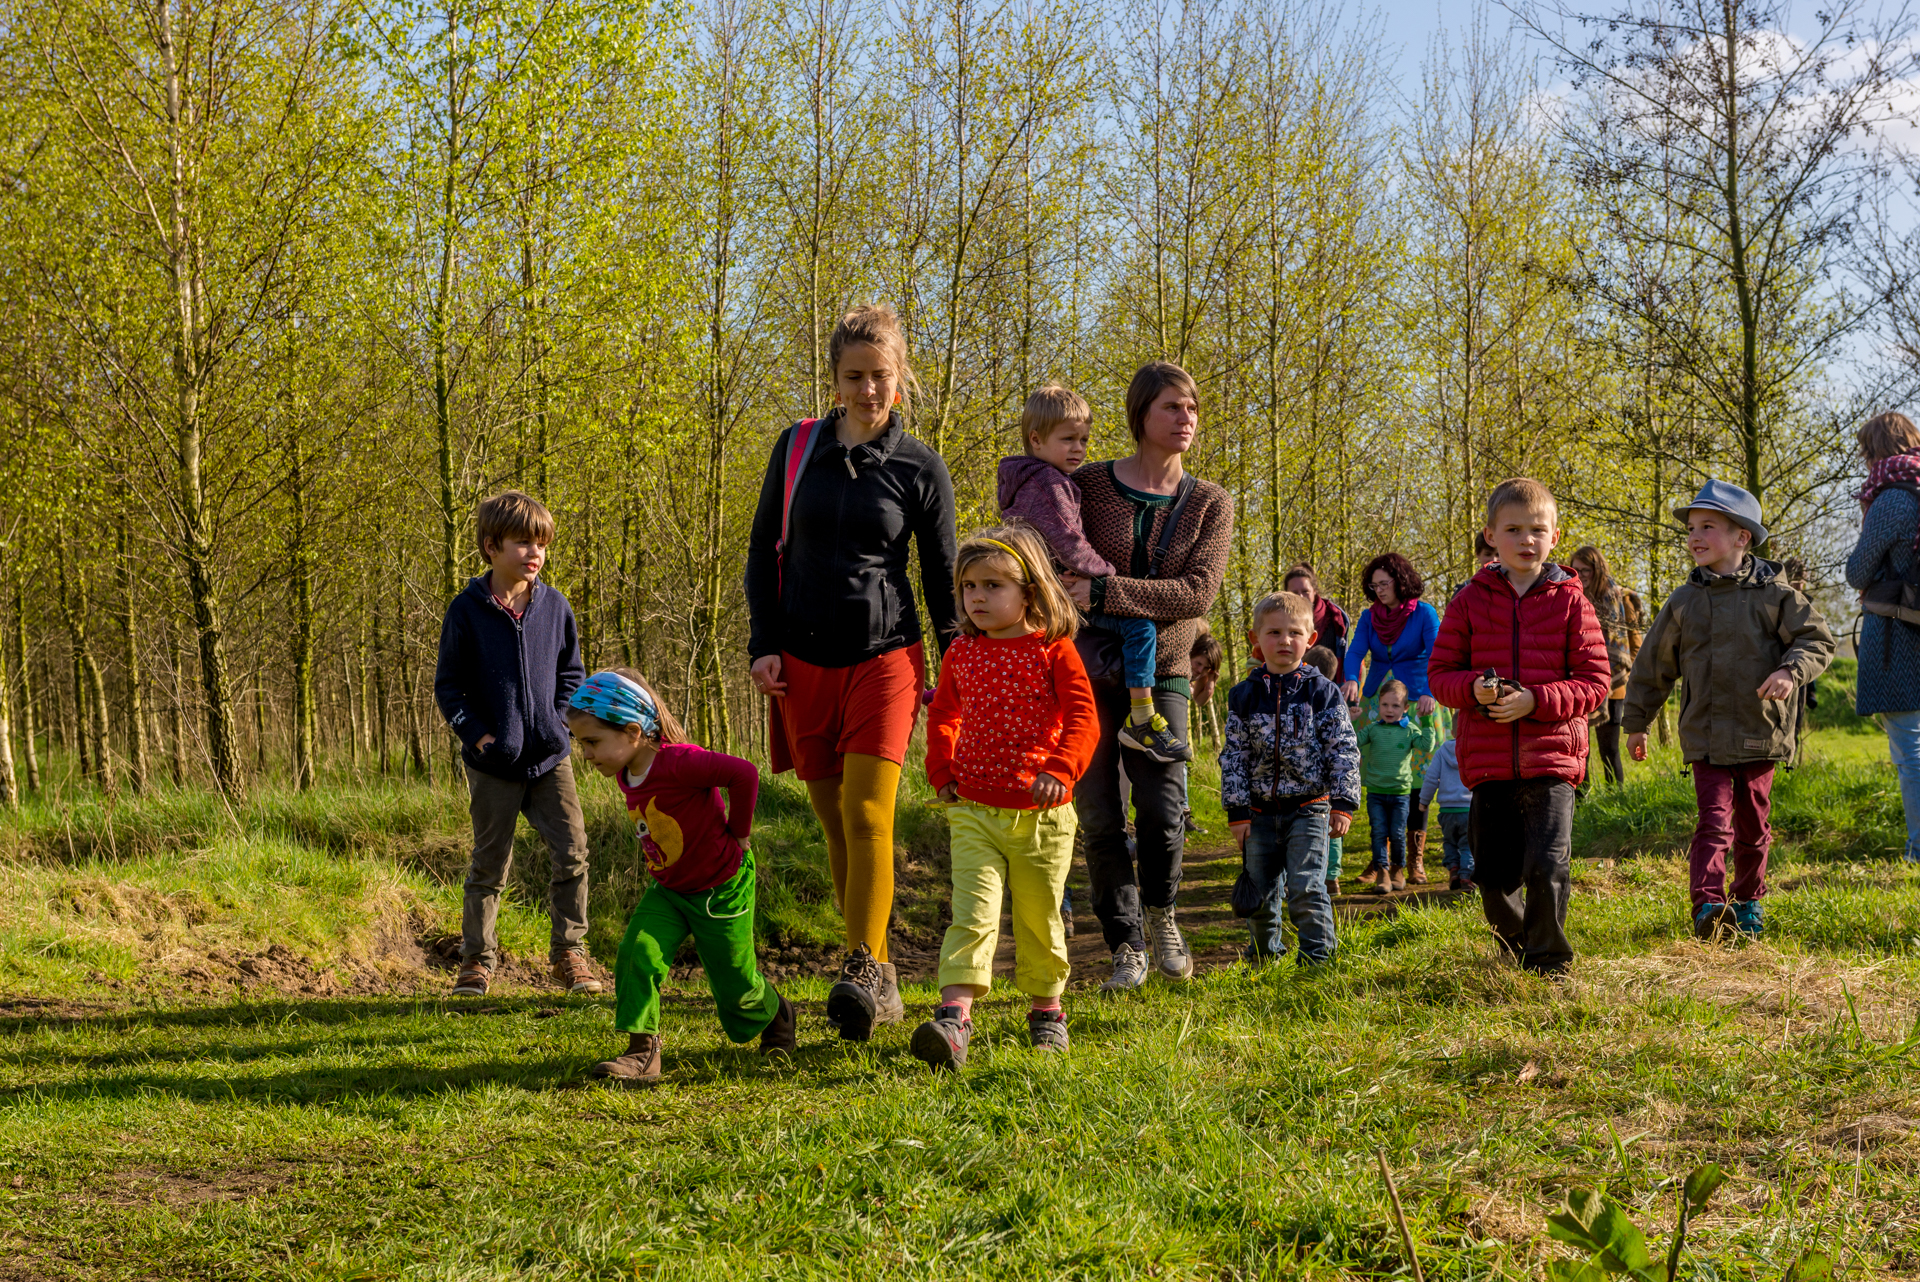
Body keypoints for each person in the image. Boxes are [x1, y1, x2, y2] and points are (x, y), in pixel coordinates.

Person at [743, 304, 958, 1042]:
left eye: (881, 376)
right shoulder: (796, 449)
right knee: (834, 822)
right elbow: (761, 551)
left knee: (871, 816)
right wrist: (761, 644)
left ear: (901, 381)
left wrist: (959, 660)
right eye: (854, 377)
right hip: (801, 661)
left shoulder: (920, 467)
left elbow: (939, 577)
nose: (869, 390)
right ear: (835, 381)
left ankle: (862, 964)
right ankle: (883, 972)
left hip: (884, 658)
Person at [1062, 361, 1233, 993]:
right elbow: (1052, 554)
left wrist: (1105, 593)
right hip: (1085, 669)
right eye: (1172, 407)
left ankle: (1162, 914)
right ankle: (1125, 944)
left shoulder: (1212, 503)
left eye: (1192, 408)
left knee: (1163, 810)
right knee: (1101, 813)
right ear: (1141, 415)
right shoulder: (1088, 485)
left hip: (1164, 671)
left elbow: (1194, 593)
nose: (1186, 418)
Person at [913, 524, 1099, 1069]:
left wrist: (1062, 770)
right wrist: (941, 768)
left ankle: (1047, 1012)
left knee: (1040, 919)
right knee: (972, 915)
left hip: (1042, 816)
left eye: (993, 585)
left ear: (1030, 592)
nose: (977, 597)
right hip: (972, 810)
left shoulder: (1053, 651)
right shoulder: (962, 653)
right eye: (969, 586)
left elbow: (1084, 718)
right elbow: (944, 713)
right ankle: (954, 1019)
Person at [1624, 481, 1834, 938]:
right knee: (1713, 823)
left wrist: (1789, 671)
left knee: (1753, 826)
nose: (1694, 536)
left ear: (1742, 536)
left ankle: (1748, 902)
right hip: (1706, 737)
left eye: (1708, 527)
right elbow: (1652, 666)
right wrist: (1636, 723)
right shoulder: (1683, 602)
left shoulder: (1777, 596)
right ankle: (1708, 908)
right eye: (1691, 528)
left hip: (1761, 732)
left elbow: (1817, 640)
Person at [566, 671, 794, 1086]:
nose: (585, 754)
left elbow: (744, 773)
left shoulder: (680, 761)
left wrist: (739, 831)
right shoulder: (626, 771)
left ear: (633, 732)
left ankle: (776, 1012)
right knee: (637, 952)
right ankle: (642, 1052)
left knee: (735, 986)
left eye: (592, 741)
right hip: (669, 890)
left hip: (721, 887)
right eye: (581, 742)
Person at [1429, 478, 1611, 977]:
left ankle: (1551, 964)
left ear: (1555, 536)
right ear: (1491, 535)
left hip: (1553, 760)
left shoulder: (1573, 601)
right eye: (1513, 529)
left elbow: (1595, 682)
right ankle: (1517, 949)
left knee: (1547, 868)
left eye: (1537, 529)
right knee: (1492, 877)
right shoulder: (1468, 601)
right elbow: (1441, 677)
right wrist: (1475, 691)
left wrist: (1535, 700)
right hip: (1488, 766)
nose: (1526, 539)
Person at [434, 491, 600, 1000]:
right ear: (491, 546)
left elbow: (572, 674)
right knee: (489, 864)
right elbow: (449, 686)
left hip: (551, 760)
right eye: (523, 542)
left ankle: (569, 954)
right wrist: (479, 735)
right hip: (493, 765)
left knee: (572, 852)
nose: (535, 553)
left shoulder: (555, 606)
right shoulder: (467, 610)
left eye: (542, 544)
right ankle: (476, 963)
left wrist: (558, 724)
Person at [999, 385, 1185, 762]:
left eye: (1084, 439)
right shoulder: (1049, 485)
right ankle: (1142, 718)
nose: (1079, 449)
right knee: (1140, 628)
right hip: (1061, 589)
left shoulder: (1034, 479)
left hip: (1045, 589)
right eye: (1068, 439)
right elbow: (1068, 540)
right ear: (1035, 439)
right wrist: (1106, 577)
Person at [1221, 591, 1359, 966]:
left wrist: (1343, 803)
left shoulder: (1323, 693)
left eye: (1294, 633)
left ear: (1310, 640)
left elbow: (1342, 748)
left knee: (1306, 888)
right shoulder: (1243, 696)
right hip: (1259, 812)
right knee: (1261, 893)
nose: (1285, 641)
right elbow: (1234, 755)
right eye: (1274, 633)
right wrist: (1237, 811)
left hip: (1310, 807)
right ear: (1255, 640)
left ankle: (1318, 961)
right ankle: (1265, 958)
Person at [1846, 410, 1920, 864]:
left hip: (1900, 639)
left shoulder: (1893, 498)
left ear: (1876, 450)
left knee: (1911, 750)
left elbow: (1858, 570)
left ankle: (1918, 849)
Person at [1569, 545, 1646, 787]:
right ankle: (1583, 802)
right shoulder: (1570, 600)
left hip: (1614, 687)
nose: (1580, 575)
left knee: (1609, 749)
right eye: (1575, 569)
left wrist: (1620, 674)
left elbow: (1635, 645)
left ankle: (1617, 798)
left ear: (1598, 569)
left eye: (1586, 570)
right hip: (1578, 684)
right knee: (1581, 749)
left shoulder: (1621, 598)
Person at [1354, 680, 1440, 894]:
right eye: (1385, 705)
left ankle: (1397, 869)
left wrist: (1427, 721)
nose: (1390, 710)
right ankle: (1381, 870)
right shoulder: (1373, 729)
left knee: (1398, 833)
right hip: (1376, 793)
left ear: (1405, 708)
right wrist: (1352, 721)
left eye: (1395, 706)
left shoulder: (1410, 730)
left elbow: (1427, 745)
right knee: (1379, 833)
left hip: (1401, 793)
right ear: (1378, 706)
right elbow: (1353, 741)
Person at [1303, 644, 1345, 894]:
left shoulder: (1306, 695)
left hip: (1315, 780)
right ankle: (1332, 876)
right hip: (1331, 778)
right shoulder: (1335, 694)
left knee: (1315, 827)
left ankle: (1319, 875)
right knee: (1333, 828)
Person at [1420, 729, 1475, 891]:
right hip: (1468, 809)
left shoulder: (1442, 751)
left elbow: (1431, 777)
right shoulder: (1473, 750)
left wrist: (1424, 801)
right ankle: (1466, 876)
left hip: (1447, 811)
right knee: (1468, 845)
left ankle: (1454, 869)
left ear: (1452, 731)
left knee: (1450, 841)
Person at [1284, 564, 1350, 685]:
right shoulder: (1277, 621)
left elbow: (1348, 657)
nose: (1300, 596)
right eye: (1294, 592)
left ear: (1315, 591)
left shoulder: (1335, 618)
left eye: (1305, 591)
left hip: (1330, 689)